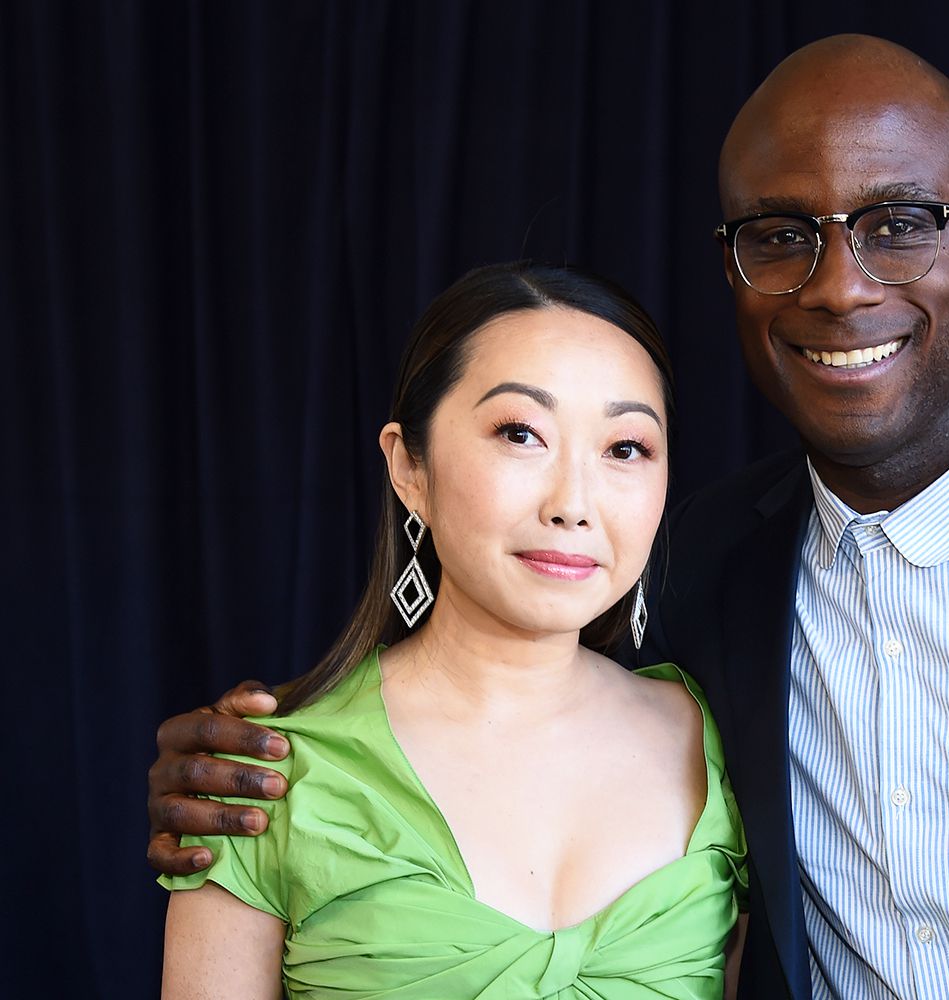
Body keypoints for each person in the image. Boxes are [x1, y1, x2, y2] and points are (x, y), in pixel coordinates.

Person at [148, 35, 949, 1000]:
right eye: (781, 236)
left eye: (898, 225)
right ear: (732, 269)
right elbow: (496, 744)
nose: (837, 286)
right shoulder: (693, 574)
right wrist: (242, 780)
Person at [156, 262, 749, 999]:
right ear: (410, 466)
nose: (574, 502)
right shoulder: (264, 775)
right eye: (521, 433)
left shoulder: (721, 746)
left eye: (625, 448)